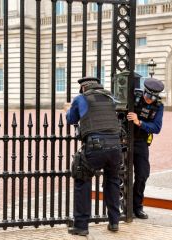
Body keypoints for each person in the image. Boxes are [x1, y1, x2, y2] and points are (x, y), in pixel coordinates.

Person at [66, 77, 122, 236]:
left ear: (84, 88)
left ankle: (81, 226)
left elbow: (71, 119)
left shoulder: (82, 98)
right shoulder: (110, 98)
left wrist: (69, 109)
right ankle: (114, 222)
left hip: (96, 146)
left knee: (82, 179)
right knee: (113, 181)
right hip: (115, 145)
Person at [126, 78, 164, 219]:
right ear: (144, 92)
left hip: (141, 142)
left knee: (142, 174)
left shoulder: (158, 106)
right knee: (121, 173)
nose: (149, 100)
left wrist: (139, 122)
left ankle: (137, 207)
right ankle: (123, 205)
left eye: (153, 98)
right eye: (148, 96)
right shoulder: (133, 97)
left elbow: (157, 128)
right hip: (124, 141)